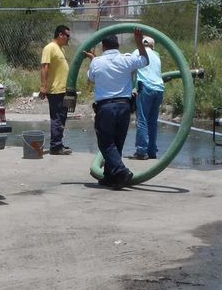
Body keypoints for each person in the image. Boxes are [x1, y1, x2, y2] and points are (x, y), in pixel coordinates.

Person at [87, 28, 149, 189]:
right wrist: (138, 41)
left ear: (103, 46)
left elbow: (91, 78)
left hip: (105, 107)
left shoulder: (96, 62)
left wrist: (93, 60)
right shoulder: (126, 59)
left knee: (106, 143)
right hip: (123, 106)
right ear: (118, 45)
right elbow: (144, 60)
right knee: (117, 142)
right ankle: (110, 176)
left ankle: (120, 172)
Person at [39, 24, 73, 155]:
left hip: (63, 90)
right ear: (60, 35)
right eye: (67, 36)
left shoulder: (60, 49)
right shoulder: (50, 48)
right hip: (55, 90)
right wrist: (43, 86)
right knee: (57, 117)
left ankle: (58, 143)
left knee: (62, 117)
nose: (69, 38)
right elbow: (44, 67)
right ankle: (55, 146)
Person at [129, 35, 164, 159]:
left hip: (145, 88)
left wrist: (131, 88)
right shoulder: (157, 55)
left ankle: (141, 151)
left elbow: (131, 70)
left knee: (142, 120)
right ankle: (152, 151)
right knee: (152, 121)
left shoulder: (136, 51)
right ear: (152, 46)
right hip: (159, 89)